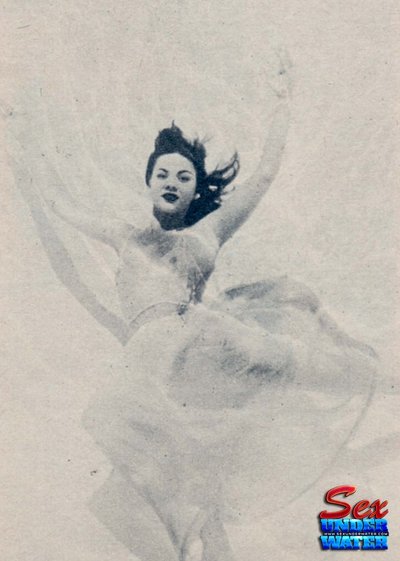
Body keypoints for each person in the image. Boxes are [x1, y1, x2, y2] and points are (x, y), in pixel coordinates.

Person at [27, 78, 375, 561]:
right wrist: (23, 148)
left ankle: (373, 376)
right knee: (172, 475)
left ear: (194, 190)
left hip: (202, 344)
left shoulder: (208, 231)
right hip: (154, 360)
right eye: (163, 174)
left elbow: (263, 176)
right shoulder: (125, 235)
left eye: (184, 177)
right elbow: (62, 207)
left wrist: (282, 103)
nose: (172, 182)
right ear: (149, 182)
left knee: (286, 374)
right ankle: (211, 545)